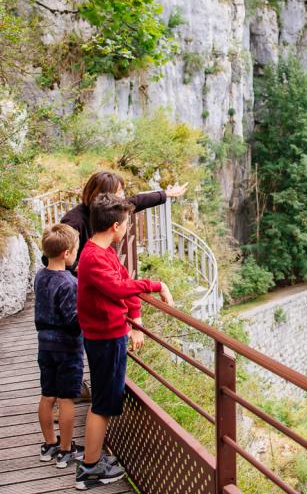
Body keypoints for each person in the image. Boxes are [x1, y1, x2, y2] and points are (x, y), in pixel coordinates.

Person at [75, 193, 174, 490]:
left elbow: (123, 283)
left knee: (106, 401)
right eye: (128, 223)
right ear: (116, 226)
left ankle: (93, 459)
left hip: (111, 334)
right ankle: (89, 469)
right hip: (104, 338)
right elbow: (119, 287)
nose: (129, 228)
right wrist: (157, 285)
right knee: (103, 404)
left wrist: (136, 320)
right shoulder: (93, 257)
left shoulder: (101, 252)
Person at [48, 171, 188, 273]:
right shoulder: (74, 221)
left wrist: (166, 194)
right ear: (104, 195)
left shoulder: (106, 209)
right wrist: (79, 268)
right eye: (119, 193)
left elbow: (137, 201)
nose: (122, 197)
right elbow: (50, 256)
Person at [35, 223, 84, 468]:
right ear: (67, 253)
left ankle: (49, 444)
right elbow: (74, 322)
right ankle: (66, 449)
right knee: (66, 400)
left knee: (47, 396)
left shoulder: (40, 275)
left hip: (45, 346)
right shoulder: (68, 283)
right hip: (67, 348)